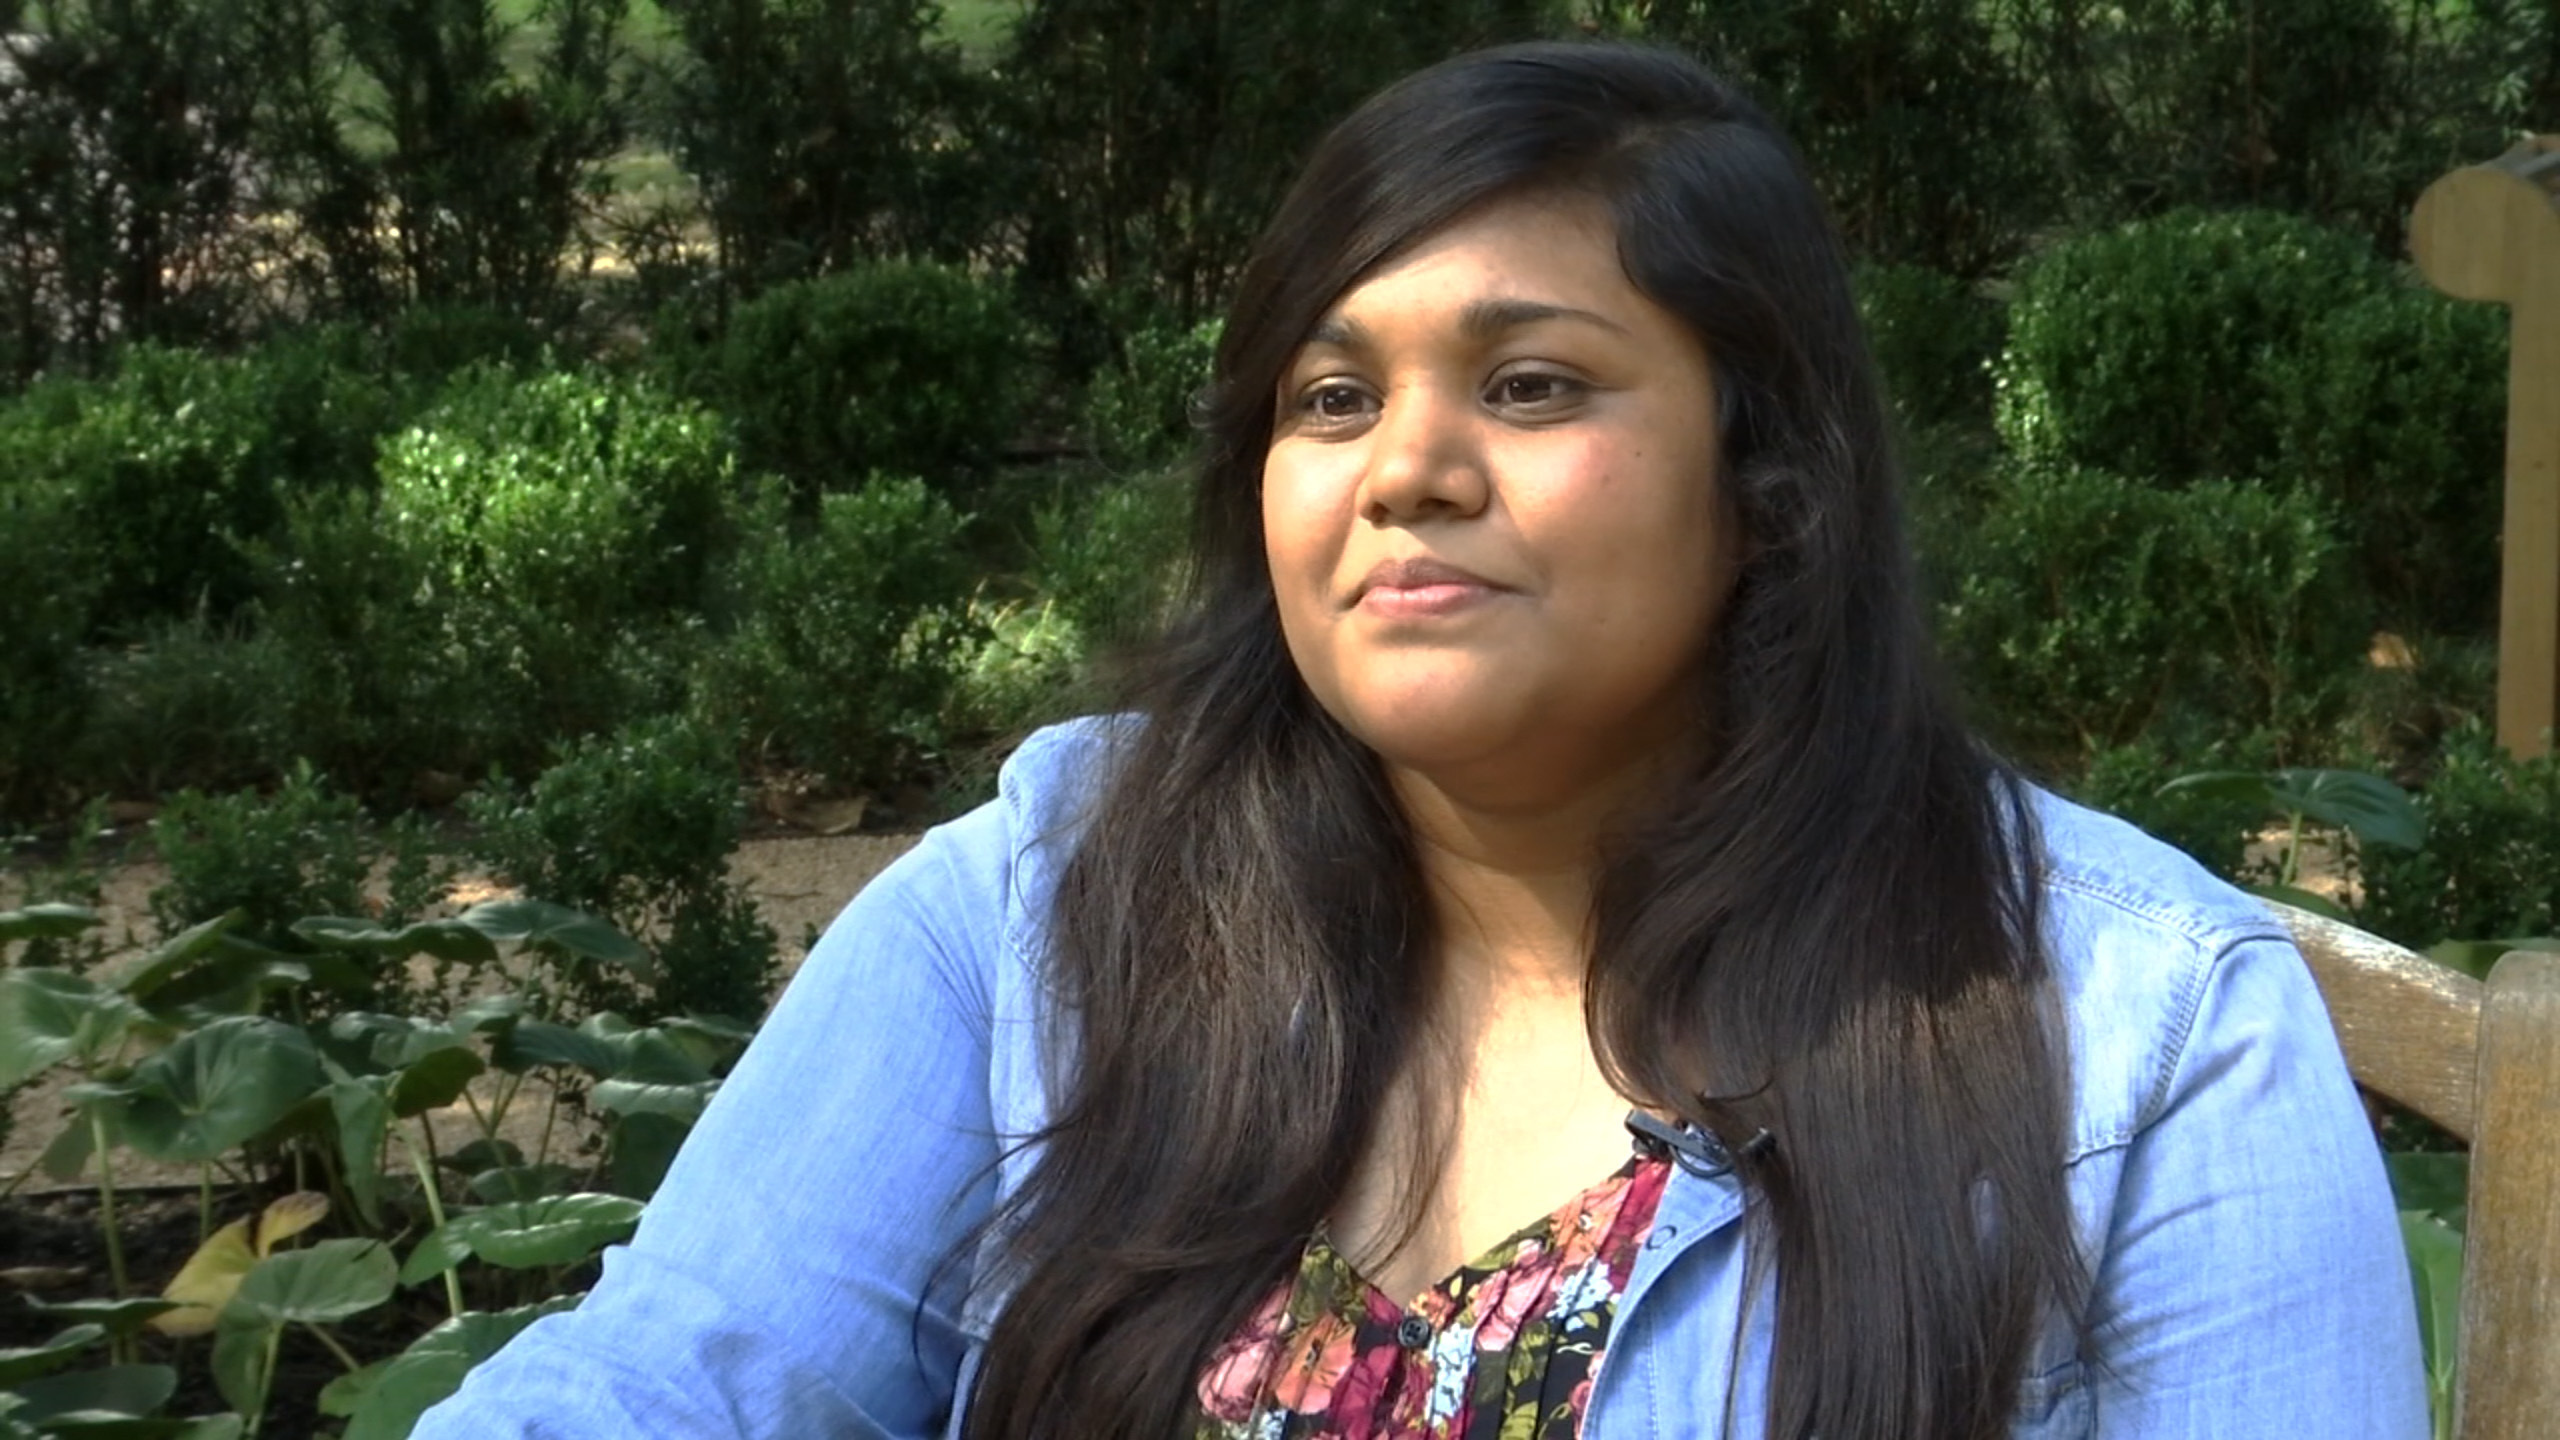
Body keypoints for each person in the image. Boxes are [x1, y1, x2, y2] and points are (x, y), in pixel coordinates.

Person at [413, 40, 2425, 1440]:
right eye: (1325, 397)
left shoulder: (2140, 1027)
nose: (1404, 473)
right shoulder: (1039, 906)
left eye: (1531, 385)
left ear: (1770, 478)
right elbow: (674, 1384)